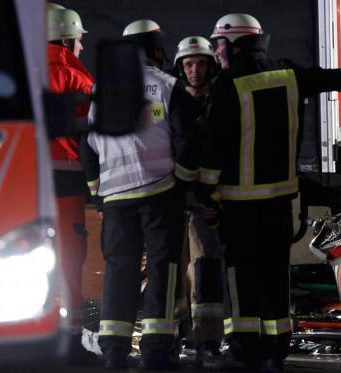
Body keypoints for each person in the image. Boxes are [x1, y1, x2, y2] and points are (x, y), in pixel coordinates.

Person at [198, 13, 341, 372]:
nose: (216, 52)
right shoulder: (288, 75)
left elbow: (214, 147)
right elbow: (331, 79)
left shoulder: (228, 85)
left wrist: (204, 195)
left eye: (219, 44)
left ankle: (245, 350)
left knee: (242, 279)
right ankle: (277, 350)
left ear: (235, 46)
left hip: (239, 207)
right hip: (281, 204)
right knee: (274, 276)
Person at [80, 19, 199, 370]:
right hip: (160, 193)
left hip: (116, 199)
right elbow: (188, 141)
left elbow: (87, 149)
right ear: (157, 51)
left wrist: (98, 194)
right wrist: (184, 181)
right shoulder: (167, 86)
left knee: (120, 269)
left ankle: (114, 352)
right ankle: (156, 350)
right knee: (163, 268)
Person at [46, 5, 97, 365]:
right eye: (78, 41)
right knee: (69, 257)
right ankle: (70, 340)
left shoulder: (22, 70)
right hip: (65, 178)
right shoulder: (74, 75)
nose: (80, 47)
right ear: (67, 39)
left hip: (20, 180)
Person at [172, 35, 226, 368]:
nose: (194, 70)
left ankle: (207, 338)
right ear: (181, 67)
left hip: (209, 202)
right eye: (189, 64)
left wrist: (210, 198)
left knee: (205, 269)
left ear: (210, 66)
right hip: (177, 201)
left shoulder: (220, 103)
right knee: (176, 271)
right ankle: (179, 334)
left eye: (201, 63)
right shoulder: (175, 103)